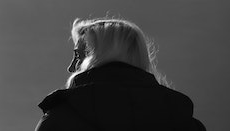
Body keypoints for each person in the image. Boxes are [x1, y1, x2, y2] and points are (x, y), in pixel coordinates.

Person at [35, 18, 206, 131]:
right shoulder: (183, 120)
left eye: (79, 56)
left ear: (96, 58)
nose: (71, 68)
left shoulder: (58, 120)